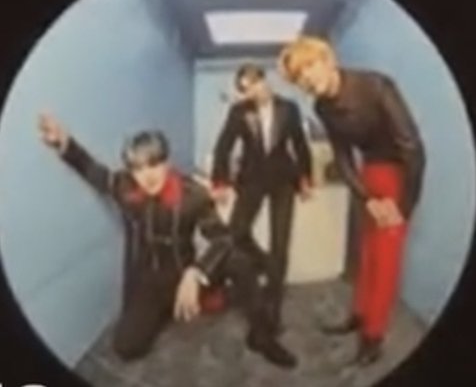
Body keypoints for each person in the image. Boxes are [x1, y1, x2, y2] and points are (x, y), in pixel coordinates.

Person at [37, 113, 297, 368]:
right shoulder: (126, 187)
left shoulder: (192, 194)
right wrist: (64, 142)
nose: (147, 175)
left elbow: (222, 238)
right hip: (149, 282)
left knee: (239, 260)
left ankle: (262, 334)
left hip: (185, 273)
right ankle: (176, 307)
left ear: (166, 163)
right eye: (138, 168)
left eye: (154, 164)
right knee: (127, 347)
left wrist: (196, 272)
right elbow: (95, 172)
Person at [278, 36, 426, 366]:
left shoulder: (376, 86)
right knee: (367, 252)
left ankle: (373, 338)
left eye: (309, 66)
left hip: (399, 174)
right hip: (369, 173)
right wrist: (366, 196)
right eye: (299, 78)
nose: (307, 79)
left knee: (386, 260)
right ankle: (359, 315)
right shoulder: (321, 107)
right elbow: (343, 157)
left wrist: (403, 208)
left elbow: (413, 149)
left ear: (328, 60)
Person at [210, 63, 313, 335]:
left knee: (281, 241)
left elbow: (300, 144)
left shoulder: (289, 108)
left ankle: (273, 309)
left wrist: (305, 178)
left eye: (255, 83)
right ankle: (267, 264)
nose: (253, 91)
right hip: (252, 179)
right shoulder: (238, 112)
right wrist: (220, 182)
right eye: (246, 89)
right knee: (236, 232)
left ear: (265, 80)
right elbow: (223, 146)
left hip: (283, 179)